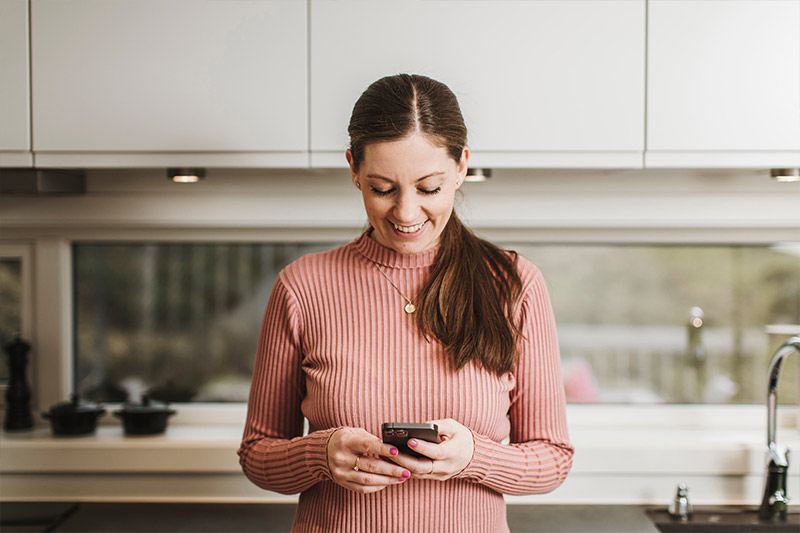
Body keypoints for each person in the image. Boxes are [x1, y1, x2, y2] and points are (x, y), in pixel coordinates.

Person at [238, 74, 574, 533]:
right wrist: (321, 454)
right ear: (353, 169)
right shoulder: (302, 286)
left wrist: (475, 456)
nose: (406, 212)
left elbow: (552, 459)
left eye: (429, 188)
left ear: (461, 167)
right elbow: (258, 454)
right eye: (382, 188)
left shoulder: (514, 285)